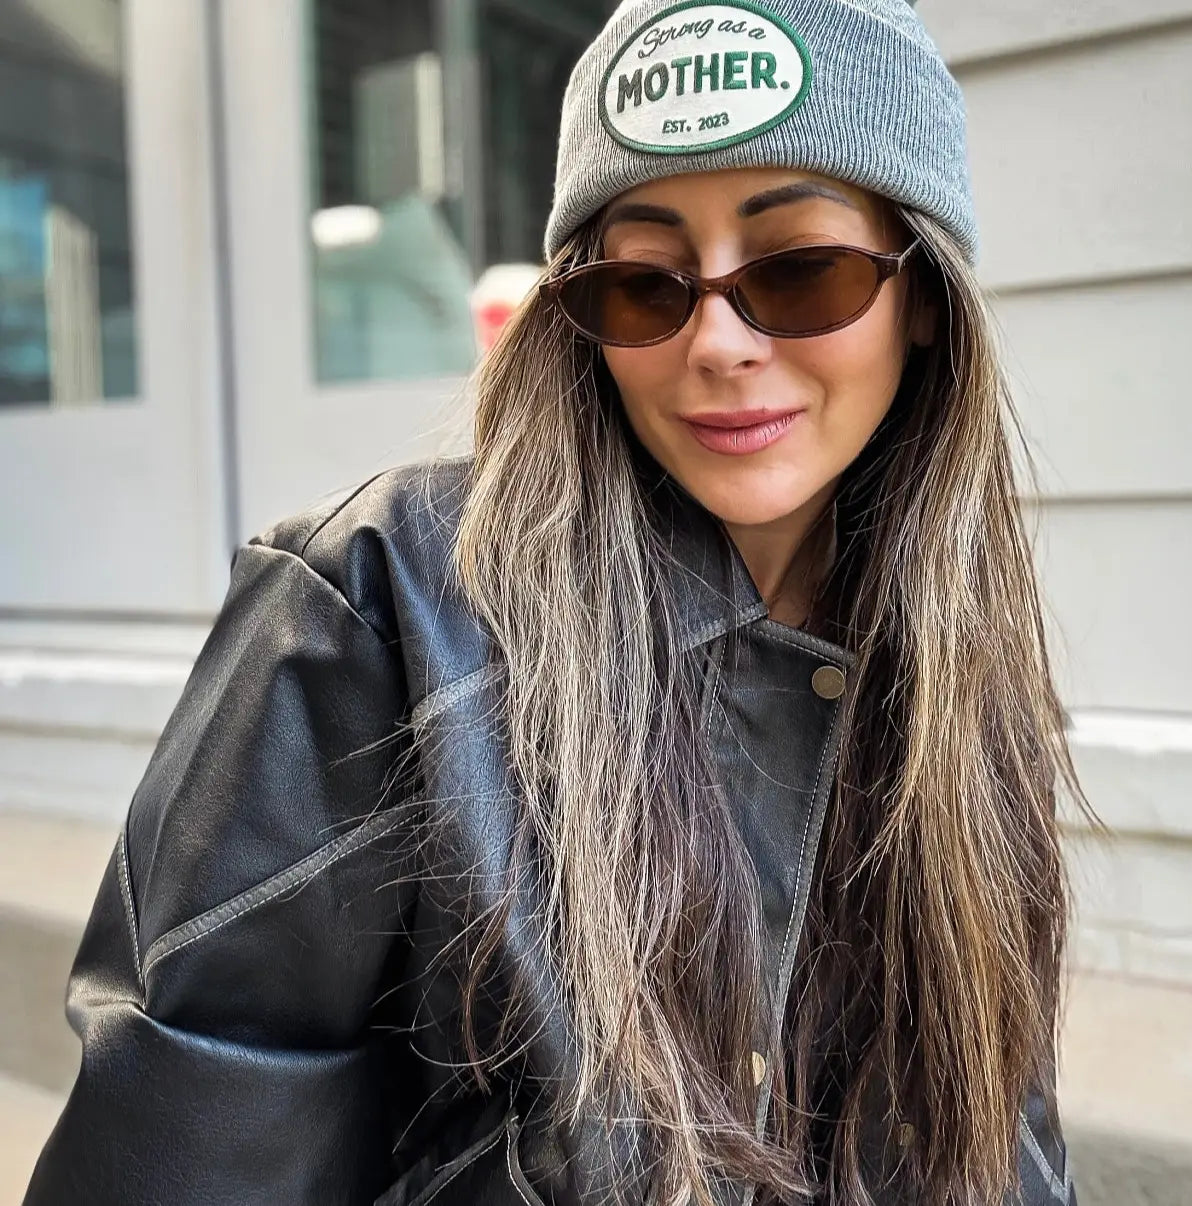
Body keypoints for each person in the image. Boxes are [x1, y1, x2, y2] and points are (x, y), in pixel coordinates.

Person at [24, 2, 1084, 1203]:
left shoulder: (962, 664)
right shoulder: (381, 608)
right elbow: (190, 1135)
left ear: (926, 296)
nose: (720, 342)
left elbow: (1005, 1144)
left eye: (800, 271)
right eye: (644, 283)